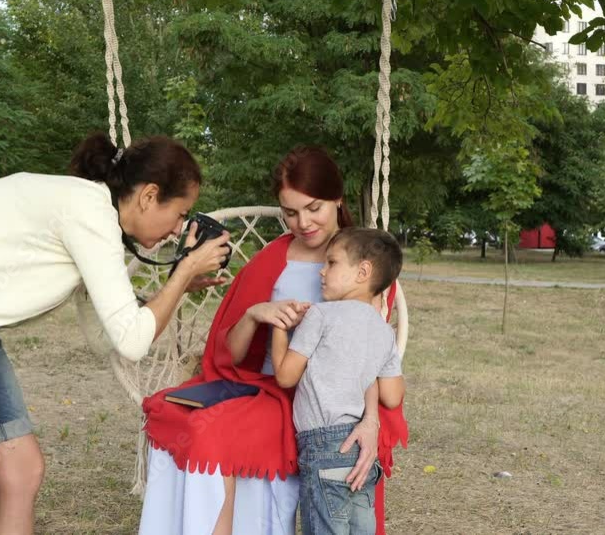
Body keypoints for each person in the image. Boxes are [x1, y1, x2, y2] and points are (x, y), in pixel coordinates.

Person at [0, 133, 231, 535]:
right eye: (180, 214)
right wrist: (183, 272)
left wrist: (178, 286)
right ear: (149, 196)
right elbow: (132, 342)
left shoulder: (92, 213)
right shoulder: (89, 213)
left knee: (22, 470)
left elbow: (109, 335)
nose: (178, 230)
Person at [140, 147, 408, 535]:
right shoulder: (273, 258)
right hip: (263, 386)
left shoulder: (365, 265)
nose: (303, 223)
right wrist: (256, 314)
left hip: (322, 401)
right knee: (176, 414)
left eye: (313, 208)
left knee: (209, 434)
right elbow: (230, 355)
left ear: (337, 199)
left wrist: (370, 421)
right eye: (290, 212)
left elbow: (368, 357)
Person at [270, 227, 405, 535]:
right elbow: (393, 395)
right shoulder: (384, 332)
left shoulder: (320, 315)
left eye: (331, 263)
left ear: (363, 272)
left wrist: (280, 327)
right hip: (360, 452)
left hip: (322, 448)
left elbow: (286, 376)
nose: (322, 271)